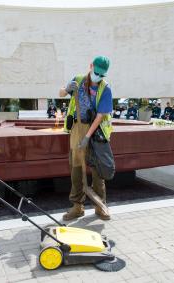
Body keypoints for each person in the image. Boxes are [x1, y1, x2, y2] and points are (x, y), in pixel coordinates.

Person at [59, 55, 113, 221]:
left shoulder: (105, 88)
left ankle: (100, 206)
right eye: (97, 72)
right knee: (76, 168)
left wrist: (87, 136)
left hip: (96, 132)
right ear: (91, 66)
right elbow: (61, 94)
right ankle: (77, 206)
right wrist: (67, 88)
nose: (99, 76)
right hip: (77, 128)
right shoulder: (78, 80)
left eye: (102, 74)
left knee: (97, 171)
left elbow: (100, 116)